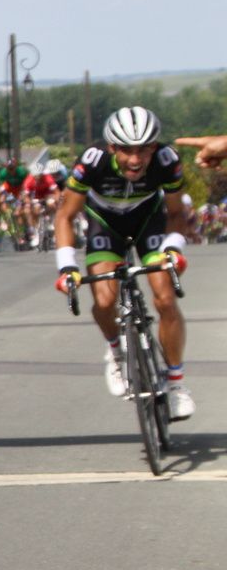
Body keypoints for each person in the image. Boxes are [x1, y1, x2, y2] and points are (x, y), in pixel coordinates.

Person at [54, 106, 194, 419]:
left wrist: (173, 248)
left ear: (154, 148)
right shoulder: (93, 161)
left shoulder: (166, 161)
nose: (135, 159)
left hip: (150, 224)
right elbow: (65, 215)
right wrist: (67, 267)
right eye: (127, 150)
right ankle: (117, 353)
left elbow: (176, 214)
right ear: (113, 148)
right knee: (104, 301)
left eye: (143, 150)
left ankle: (176, 384)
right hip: (105, 225)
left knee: (166, 299)